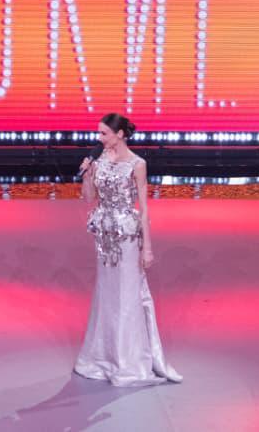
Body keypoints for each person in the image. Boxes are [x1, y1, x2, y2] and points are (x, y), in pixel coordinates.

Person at [74, 112, 181, 386]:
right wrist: (87, 174)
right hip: (104, 236)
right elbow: (89, 198)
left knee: (128, 296)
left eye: (104, 133)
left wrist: (148, 248)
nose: (99, 138)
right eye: (98, 133)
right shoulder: (98, 161)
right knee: (107, 296)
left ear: (120, 134)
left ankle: (129, 362)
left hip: (128, 236)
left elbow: (143, 209)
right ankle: (104, 357)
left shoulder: (137, 164)